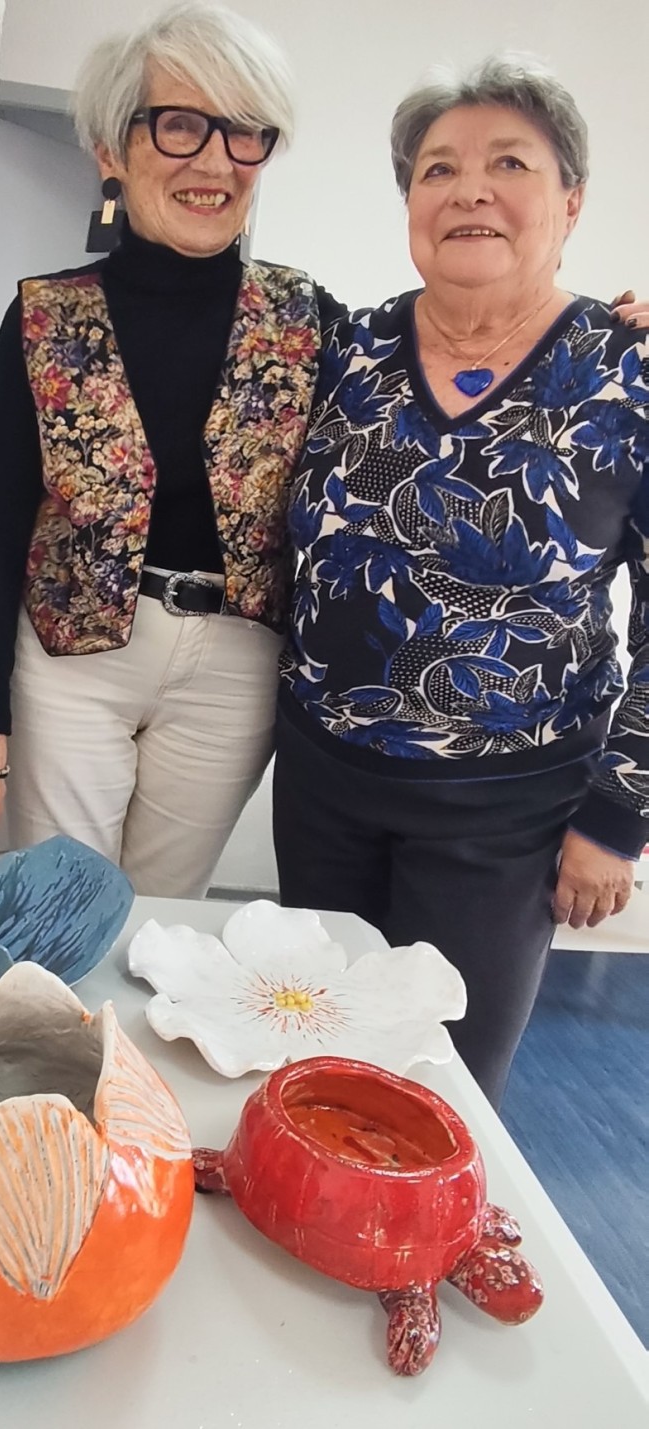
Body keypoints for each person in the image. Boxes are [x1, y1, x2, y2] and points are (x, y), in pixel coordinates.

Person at [274, 57, 649, 1106]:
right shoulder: (347, 351)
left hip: (507, 815)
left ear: (570, 202)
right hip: (322, 783)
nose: (468, 189)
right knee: (307, 1066)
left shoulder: (626, 375)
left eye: (508, 164)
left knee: (435, 1095)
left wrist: (617, 818)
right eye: (436, 169)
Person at [0, 3, 334, 895]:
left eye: (243, 132)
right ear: (112, 149)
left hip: (234, 669)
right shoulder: (44, 317)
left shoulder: (310, 318)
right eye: (181, 125)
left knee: (164, 918)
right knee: (60, 902)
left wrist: (594, 332)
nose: (215, 162)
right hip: (71, 660)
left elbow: (441, 369)